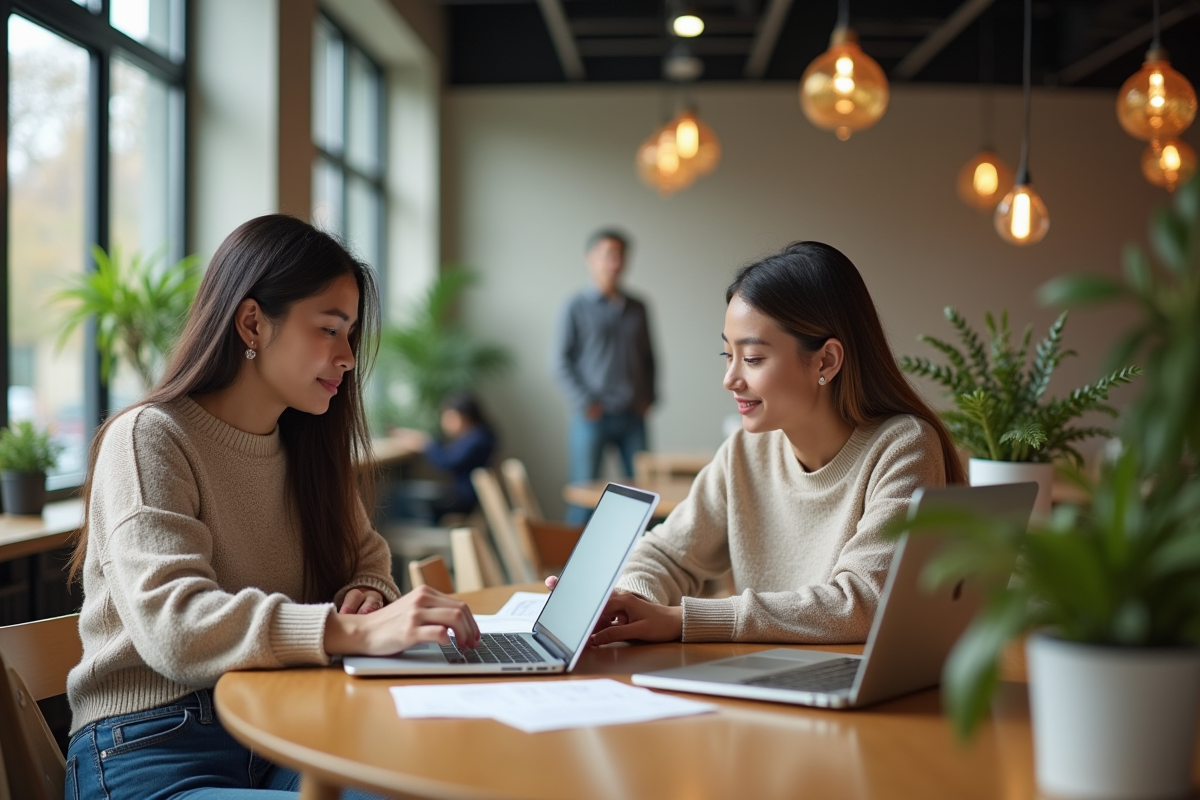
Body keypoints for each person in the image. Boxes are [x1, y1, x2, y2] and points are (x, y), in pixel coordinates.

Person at [63, 214, 480, 800]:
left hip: (282, 724)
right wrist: (350, 631)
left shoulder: (307, 447)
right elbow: (174, 628)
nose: (347, 358)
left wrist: (370, 593)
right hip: (153, 748)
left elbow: (367, 558)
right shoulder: (149, 438)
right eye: (330, 330)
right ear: (253, 322)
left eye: (351, 334)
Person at [549, 241, 966, 645]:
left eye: (751, 359)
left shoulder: (904, 447)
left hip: (866, 704)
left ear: (826, 361)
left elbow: (860, 602)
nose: (730, 379)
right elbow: (667, 553)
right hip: (763, 688)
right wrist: (630, 602)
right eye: (726, 355)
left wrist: (683, 620)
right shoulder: (744, 453)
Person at [553, 229, 657, 524]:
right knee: (583, 496)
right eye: (608, 255)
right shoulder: (575, 306)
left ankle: (641, 567)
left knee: (642, 496)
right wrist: (586, 402)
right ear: (591, 259)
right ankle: (572, 569)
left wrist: (649, 396)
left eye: (620, 255)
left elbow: (650, 358)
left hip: (632, 415)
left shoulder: (639, 307)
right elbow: (560, 362)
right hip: (592, 417)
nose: (615, 262)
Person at [391, 392, 497, 522]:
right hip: (465, 496)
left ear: (462, 416)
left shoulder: (477, 439)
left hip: (462, 500)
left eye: (448, 417)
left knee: (402, 496)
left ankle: (426, 536)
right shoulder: (480, 435)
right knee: (405, 493)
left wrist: (425, 444)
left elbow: (447, 462)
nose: (444, 422)